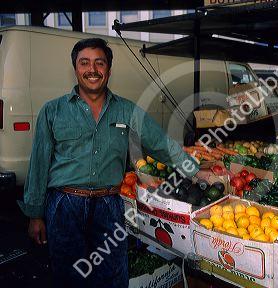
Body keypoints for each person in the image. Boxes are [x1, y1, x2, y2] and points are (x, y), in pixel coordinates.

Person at [18, 38, 199, 288]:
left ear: (108, 70)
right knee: (69, 278)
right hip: (64, 206)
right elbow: (39, 164)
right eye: (85, 63)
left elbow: (160, 144)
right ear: (75, 68)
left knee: (113, 277)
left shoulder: (126, 110)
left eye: (99, 63)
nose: (92, 70)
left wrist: (195, 169)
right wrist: (35, 214)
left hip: (109, 205)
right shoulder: (53, 111)